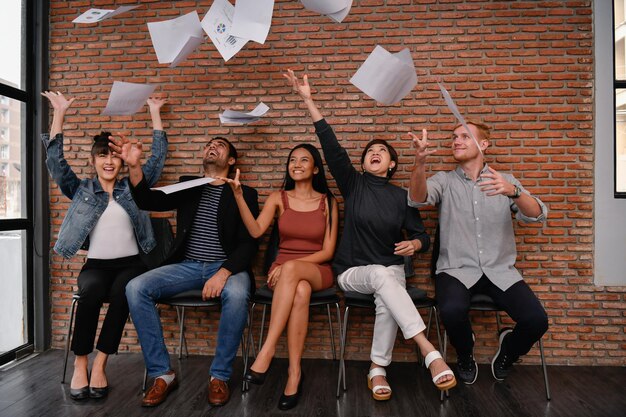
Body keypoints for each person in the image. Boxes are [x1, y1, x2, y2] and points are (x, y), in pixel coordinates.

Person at [284, 70, 457, 401]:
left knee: (386, 299)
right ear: (364, 162)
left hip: (390, 273)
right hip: (353, 271)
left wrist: (416, 243)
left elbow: (423, 235)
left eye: (382, 151)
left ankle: (377, 369)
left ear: (392, 164)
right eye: (370, 151)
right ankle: (428, 350)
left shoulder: (402, 196)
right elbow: (332, 148)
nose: (374, 152)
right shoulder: (354, 185)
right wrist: (309, 100)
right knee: (382, 275)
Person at [112, 135, 258, 408]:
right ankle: (162, 374)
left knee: (238, 295)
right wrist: (133, 165)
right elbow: (147, 200)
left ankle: (219, 376)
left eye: (220, 145)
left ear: (232, 160)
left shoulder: (244, 192)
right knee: (135, 287)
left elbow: (250, 243)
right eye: (209, 144)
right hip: (188, 266)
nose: (211, 147)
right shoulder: (189, 185)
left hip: (226, 267)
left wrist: (224, 272)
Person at [40, 91, 168, 401]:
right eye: (102, 156)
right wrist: (59, 113)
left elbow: (157, 160)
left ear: (120, 159)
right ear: (94, 160)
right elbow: (56, 164)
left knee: (127, 291)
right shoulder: (82, 189)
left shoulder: (133, 187)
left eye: (113, 156)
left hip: (132, 264)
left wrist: (154, 112)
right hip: (96, 266)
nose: (108, 162)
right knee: (91, 292)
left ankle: (101, 362)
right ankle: (81, 364)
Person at [407, 121, 549, 384]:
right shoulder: (445, 181)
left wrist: (514, 192)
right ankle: (464, 352)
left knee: (536, 320)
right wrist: (420, 163)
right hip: (456, 269)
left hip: (499, 270)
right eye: (454, 137)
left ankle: (508, 351)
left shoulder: (504, 181)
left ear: (483, 144)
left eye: (464, 136)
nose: (456, 141)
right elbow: (416, 198)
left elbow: (538, 214)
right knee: (449, 309)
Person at [219, 144, 338, 410]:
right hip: (284, 275)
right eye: (292, 160)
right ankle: (294, 373)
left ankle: (267, 350)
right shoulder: (278, 198)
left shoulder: (328, 201)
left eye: (304, 160)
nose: (296, 164)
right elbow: (255, 231)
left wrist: (289, 266)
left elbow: (328, 250)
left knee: (297, 274)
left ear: (315, 168)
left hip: (317, 269)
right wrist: (238, 195)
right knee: (301, 291)